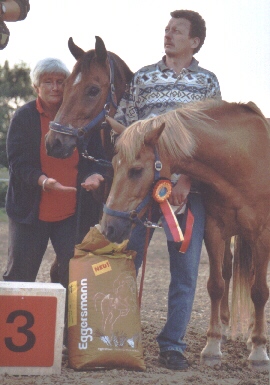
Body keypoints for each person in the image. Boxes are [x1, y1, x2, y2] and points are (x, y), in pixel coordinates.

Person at [113, 10, 222, 370]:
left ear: (194, 41)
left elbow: (210, 141)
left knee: (186, 271)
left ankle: (172, 344)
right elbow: (127, 128)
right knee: (128, 263)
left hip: (188, 193)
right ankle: (118, 337)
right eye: (166, 29)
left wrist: (187, 181)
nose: (168, 34)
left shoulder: (208, 82)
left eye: (177, 31)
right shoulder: (143, 77)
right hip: (142, 187)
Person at [3, 57, 105, 291]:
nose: (55, 87)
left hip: (72, 214)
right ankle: (8, 326)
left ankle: (69, 327)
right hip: (30, 212)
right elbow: (18, 164)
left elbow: (99, 158)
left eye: (60, 81)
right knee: (20, 274)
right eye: (47, 82)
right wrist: (43, 181)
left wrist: (95, 174)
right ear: (36, 87)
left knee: (76, 278)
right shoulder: (23, 117)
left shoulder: (80, 114)